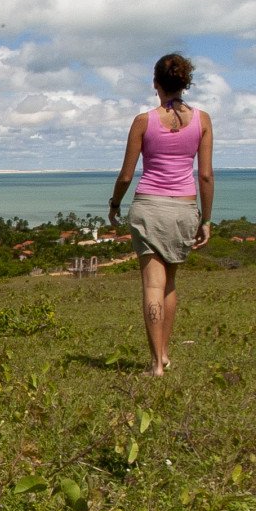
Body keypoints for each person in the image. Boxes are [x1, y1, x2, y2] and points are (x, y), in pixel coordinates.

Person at [107, 53, 214, 376]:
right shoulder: (203, 120)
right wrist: (206, 219)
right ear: (184, 83)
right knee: (169, 286)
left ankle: (155, 364)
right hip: (183, 208)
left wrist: (114, 204)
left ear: (156, 84)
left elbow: (126, 175)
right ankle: (164, 353)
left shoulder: (144, 121)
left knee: (152, 285)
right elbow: (205, 175)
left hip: (148, 207)